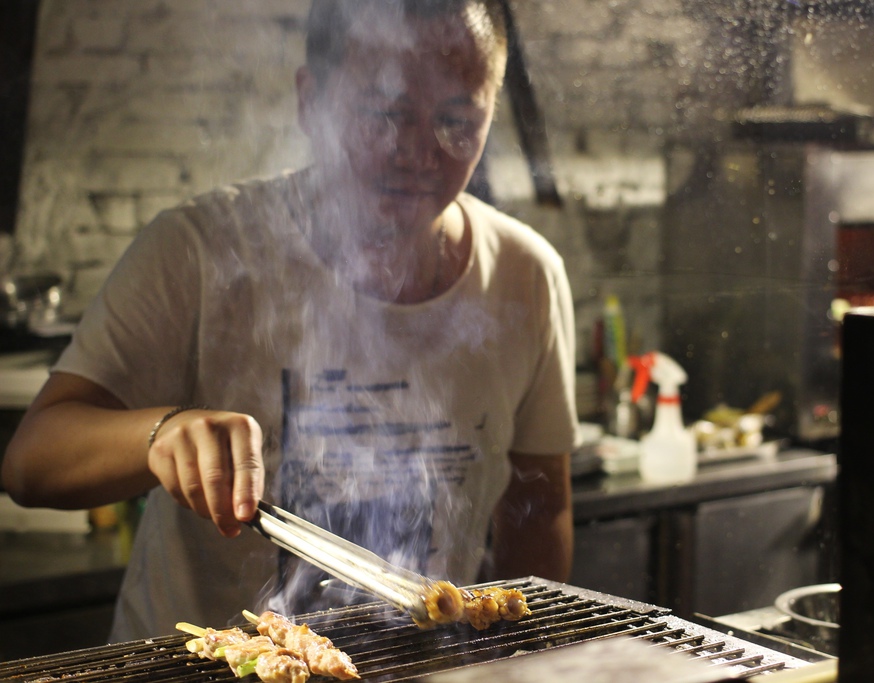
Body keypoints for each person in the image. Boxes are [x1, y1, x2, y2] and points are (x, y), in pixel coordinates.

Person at [1, 0, 578, 641]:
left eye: (457, 121)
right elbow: (30, 462)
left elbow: (541, 507)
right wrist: (160, 434)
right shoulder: (198, 250)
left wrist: (529, 658)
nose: (418, 151)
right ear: (312, 101)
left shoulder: (526, 274)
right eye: (384, 112)